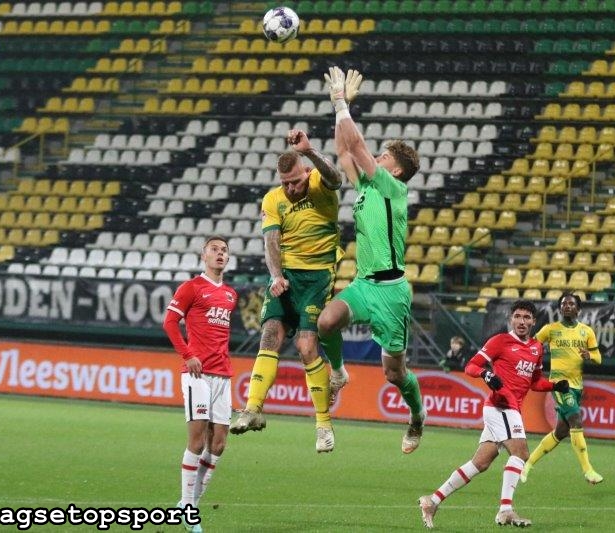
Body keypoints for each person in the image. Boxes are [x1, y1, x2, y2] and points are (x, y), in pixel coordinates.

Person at [317, 66, 426, 454]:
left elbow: (358, 148)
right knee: (325, 322)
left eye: (384, 156)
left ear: (395, 168)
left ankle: (417, 416)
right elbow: (345, 151)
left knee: (394, 374)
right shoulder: (366, 186)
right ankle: (339, 372)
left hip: (393, 292)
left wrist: (342, 103)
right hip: (365, 284)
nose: (376, 157)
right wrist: (339, 112)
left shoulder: (393, 187)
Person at [230, 128, 347, 453]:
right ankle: (252, 409)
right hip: (287, 277)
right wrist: (276, 275)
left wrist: (309, 151)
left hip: (318, 276)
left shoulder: (319, 185)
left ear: (306, 173)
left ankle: (323, 425)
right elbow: (271, 240)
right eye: (285, 184)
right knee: (269, 334)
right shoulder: (272, 199)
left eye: (295, 182)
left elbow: (337, 178)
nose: (291, 188)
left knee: (307, 345)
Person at [418, 299, 569, 529]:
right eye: (518, 316)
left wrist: (554, 385)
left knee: (480, 463)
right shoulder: (500, 341)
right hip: (500, 407)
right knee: (521, 453)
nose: (522, 321)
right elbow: (471, 366)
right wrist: (487, 375)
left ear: (534, 322)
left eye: (527, 317)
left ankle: (433, 501)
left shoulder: (536, 348)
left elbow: (535, 382)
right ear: (511, 318)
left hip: (510, 409)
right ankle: (506, 509)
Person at [163, 236, 238, 533]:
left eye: (224, 251)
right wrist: (188, 354)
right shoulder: (191, 288)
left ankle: (187, 504)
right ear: (203, 255)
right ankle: (188, 509)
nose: (220, 254)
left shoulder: (231, 295)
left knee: (218, 444)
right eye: (214, 250)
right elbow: (169, 322)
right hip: (197, 374)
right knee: (196, 441)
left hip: (223, 374)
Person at [522, 291, 603, 485]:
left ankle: (527, 465)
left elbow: (598, 358)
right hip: (560, 384)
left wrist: (588, 357)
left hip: (577, 385)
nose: (567, 306)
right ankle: (588, 470)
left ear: (578, 309)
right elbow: (531, 347)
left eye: (571, 304)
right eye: (564, 304)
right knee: (576, 420)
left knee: (560, 432)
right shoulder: (550, 329)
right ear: (560, 308)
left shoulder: (587, 332)